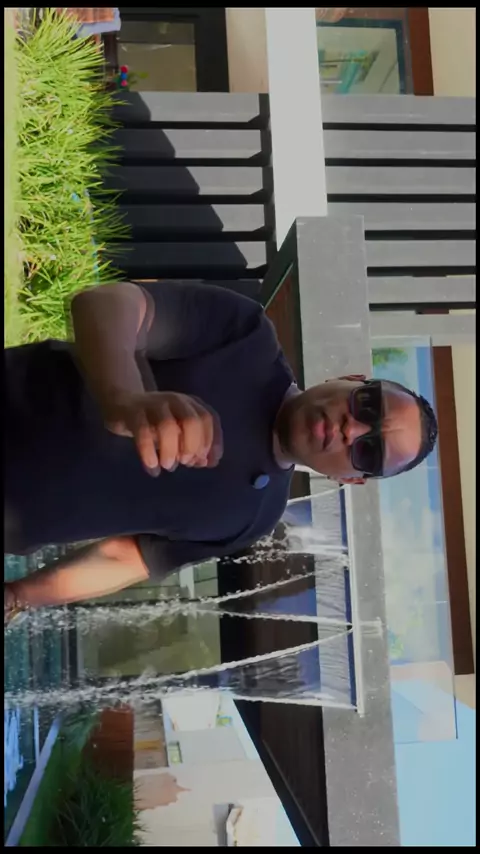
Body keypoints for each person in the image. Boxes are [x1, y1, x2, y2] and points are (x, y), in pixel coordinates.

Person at [4, 280, 437, 621]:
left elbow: (127, 558)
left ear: (350, 478)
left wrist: (19, 595)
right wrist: (124, 397)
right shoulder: (246, 336)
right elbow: (105, 304)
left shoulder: (255, 517)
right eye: (368, 405)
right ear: (350, 379)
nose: (352, 428)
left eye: (369, 451)